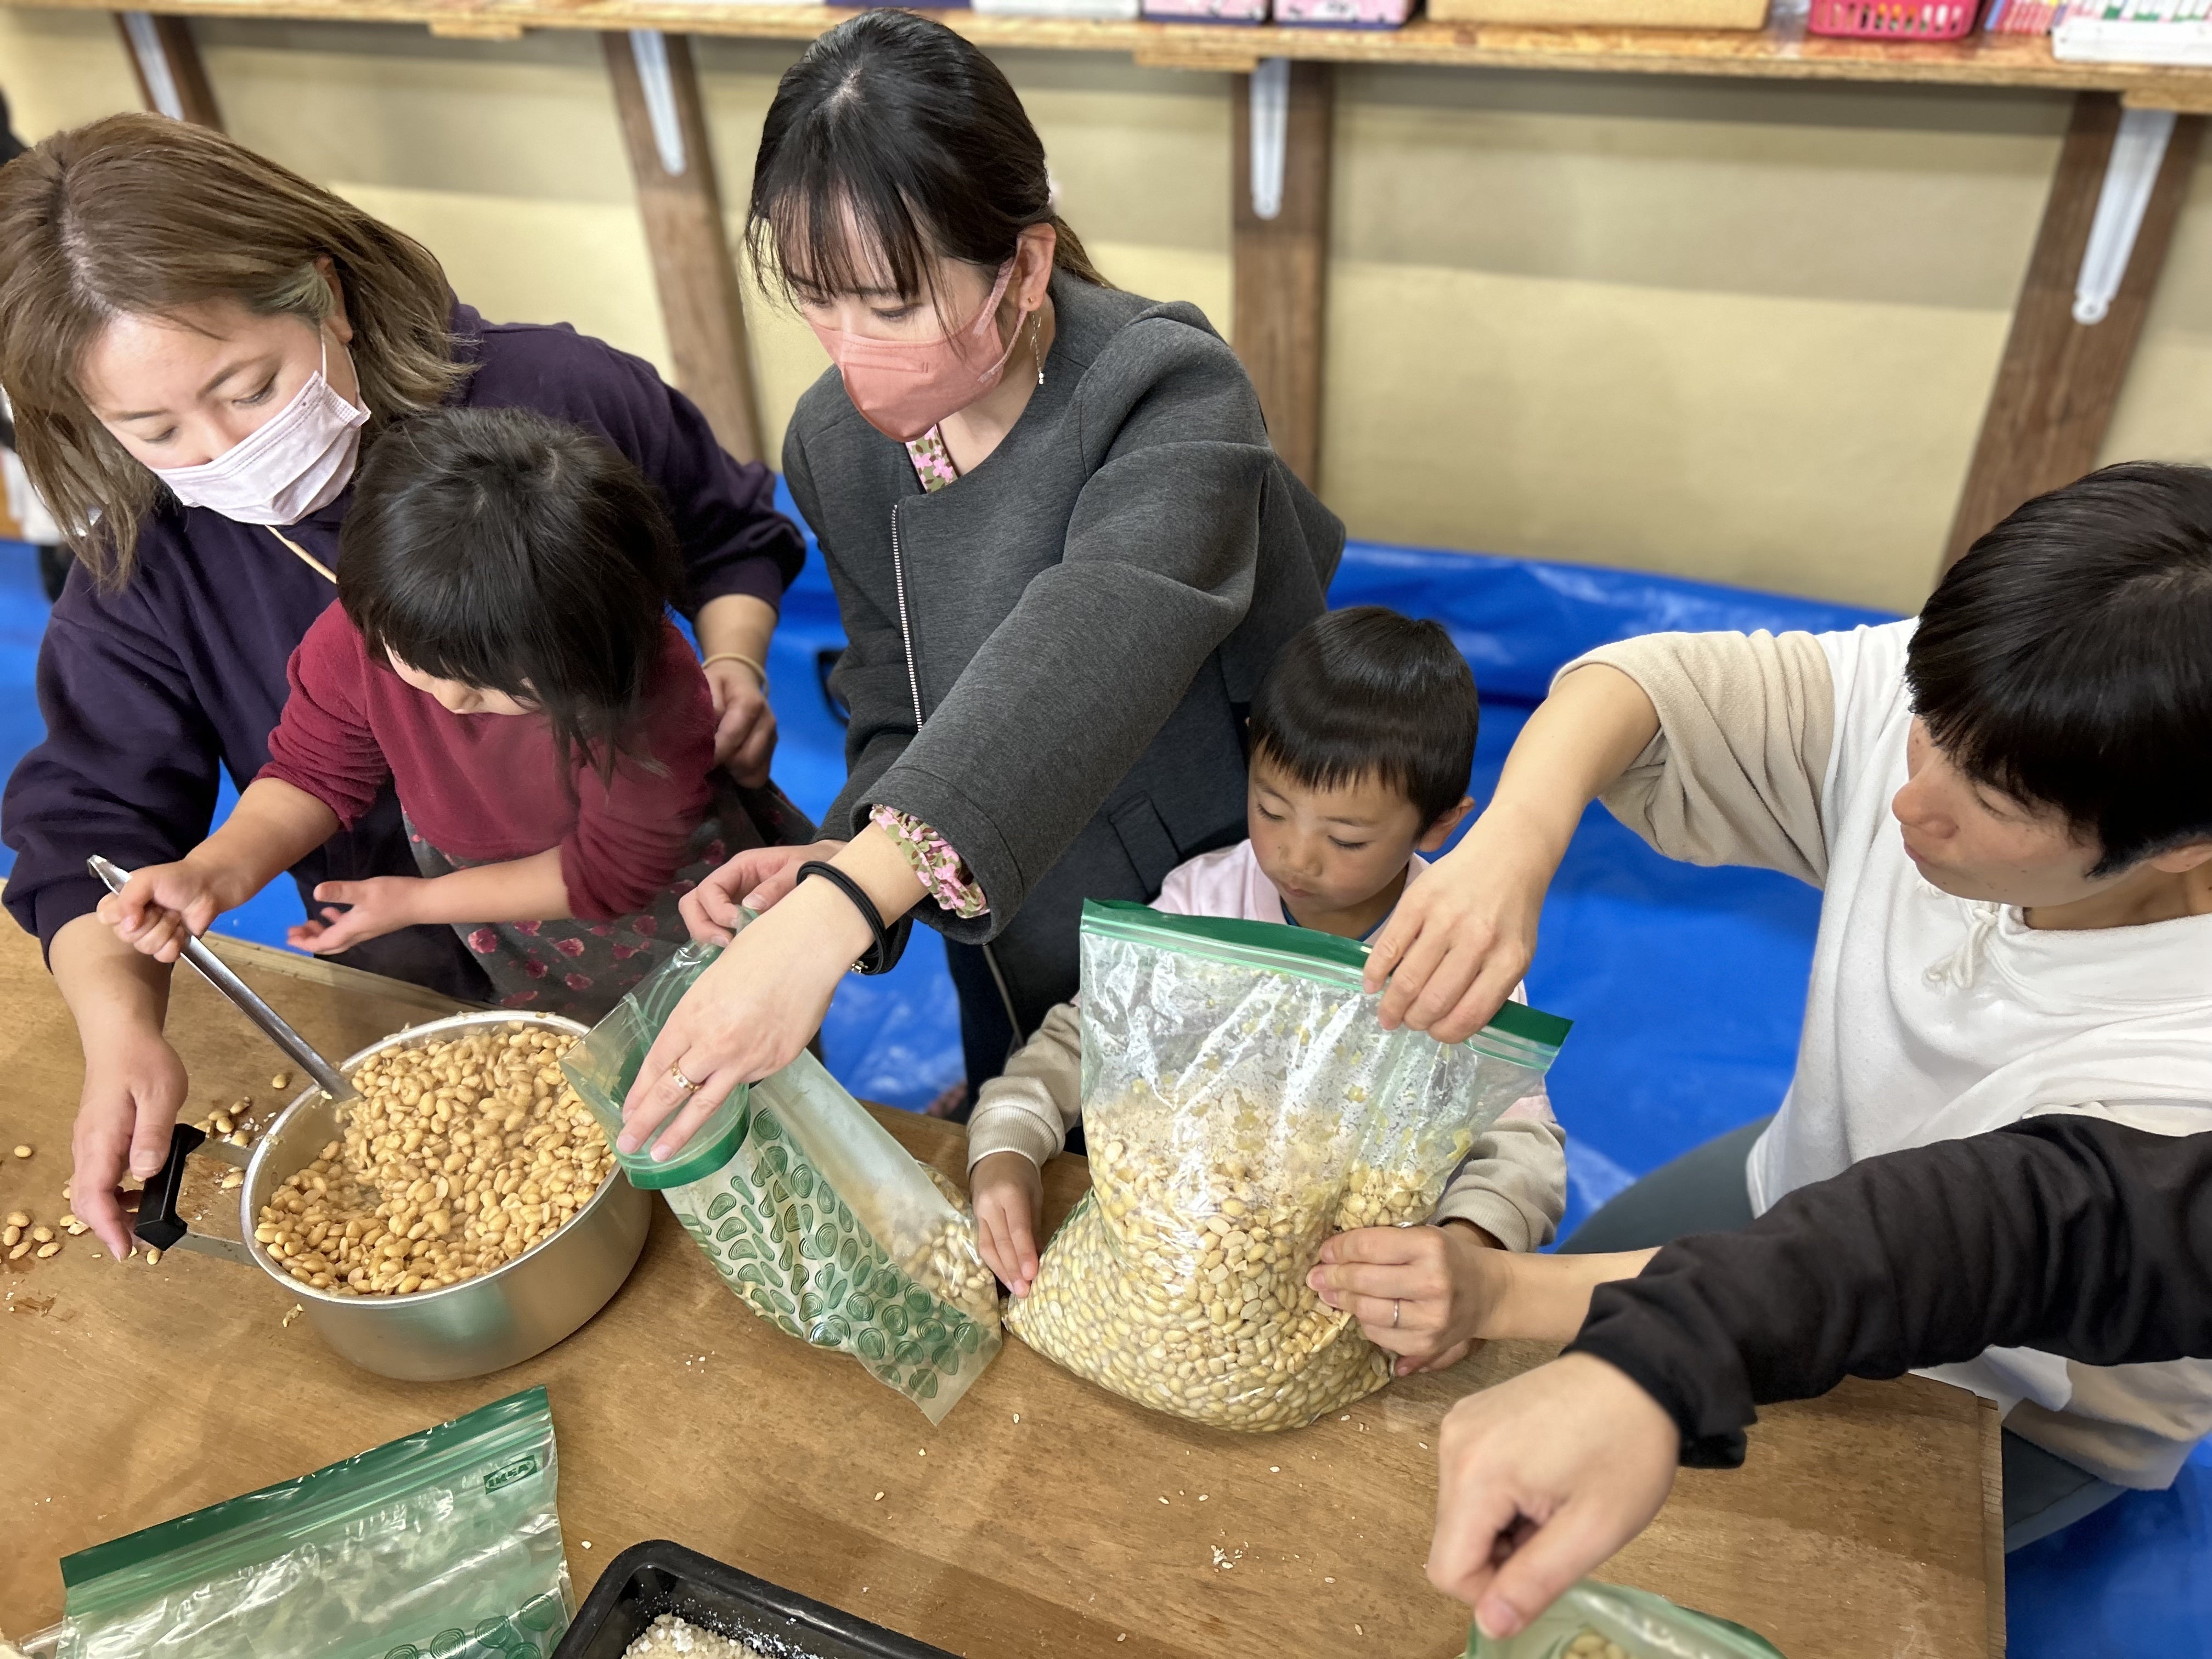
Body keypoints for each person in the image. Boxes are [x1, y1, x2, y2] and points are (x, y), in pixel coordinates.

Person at [1340, 461, 2212, 1548]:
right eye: (1926, 724)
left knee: (1666, 1542)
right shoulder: (2007, 702)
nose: (1910, 801)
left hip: (2002, 1385)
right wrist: (1511, 846)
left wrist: (1502, 1293)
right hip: (1802, 1174)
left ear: (2183, 843)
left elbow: (1928, 1258)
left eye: (1992, 800)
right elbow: (1645, 683)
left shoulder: (2181, 1073)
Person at [0, 115, 805, 1262]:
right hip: (410, 983)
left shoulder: (556, 410)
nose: (223, 451)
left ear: (327, 296)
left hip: (644, 930)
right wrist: (141, 987)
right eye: (154, 429)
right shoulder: (195, 576)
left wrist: (735, 659)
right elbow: (166, 804)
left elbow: (725, 541)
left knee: (738, 1157)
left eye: (249, 387)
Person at [621, 9, 1342, 1164]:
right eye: (817, 299)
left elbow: (1100, 629)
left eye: (895, 304)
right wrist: (840, 853)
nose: (852, 348)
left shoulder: (1170, 390)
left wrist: (847, 902)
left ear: (1026, 265)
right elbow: (894, 695)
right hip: (993, 908)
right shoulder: (835, 443)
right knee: (1026, 1138)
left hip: (1199, 896)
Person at [963, 607, 1567, 1340]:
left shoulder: (1456, 949)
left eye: (1347, 839)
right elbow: (1085, 1039)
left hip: (1352, 1297)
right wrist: (1007, 1142)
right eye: (1271, 809)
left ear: (1439, 824)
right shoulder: (1204, 905)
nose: (1294, 857)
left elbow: (1522, 1144)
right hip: (1190, 1261)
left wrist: (1472, 1249)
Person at [1421, 1114, 2212, 1640]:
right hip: (1825, 1193)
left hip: (2015, 1391)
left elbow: (2048, 1233)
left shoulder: (2168, 1085)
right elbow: (2037, 1215)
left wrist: (1515, 1295)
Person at [99, 407, 735, 1022]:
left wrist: (419, 900)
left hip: (666, 907)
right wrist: (214, 871)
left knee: (707, 1027)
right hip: (511, 914)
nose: (452, 702)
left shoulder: (646, 690)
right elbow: (312, 774)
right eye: (420, 669)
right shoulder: (363, 636)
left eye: (504, 690)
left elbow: (613, 871)